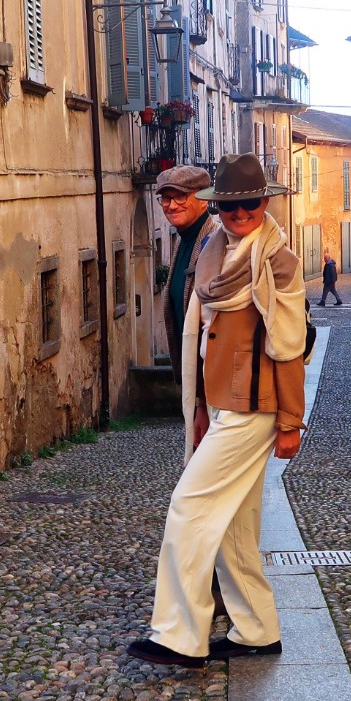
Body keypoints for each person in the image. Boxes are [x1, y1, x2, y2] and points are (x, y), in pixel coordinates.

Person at [128, 154, 306, 668]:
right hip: (223, 403)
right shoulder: (217, 253)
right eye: (230, 205)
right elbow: (207, 339)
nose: (240, 213)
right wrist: (202, 404)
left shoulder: (276, 262)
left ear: (264, 201)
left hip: (255, 405)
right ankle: (256, 629)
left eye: (249, 203)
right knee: (234, 524)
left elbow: (288, 345)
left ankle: (180, 635)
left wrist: (291, 422)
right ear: (220, 206)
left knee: (190, 508)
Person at [155, 166, 214, 378]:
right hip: (191, 379)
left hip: (210, 380)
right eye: (165, 198)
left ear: (204, 199)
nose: (171, 205)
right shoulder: (182, 242)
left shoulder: (215, 244)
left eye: (181, 197)